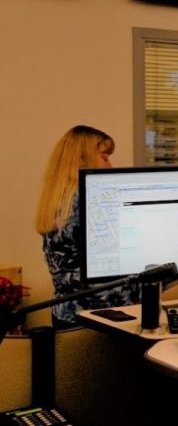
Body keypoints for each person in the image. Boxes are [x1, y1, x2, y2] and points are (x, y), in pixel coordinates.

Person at [35, 125, 134, 328]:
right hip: (103, 319)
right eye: (105, 157)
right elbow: (122, 263)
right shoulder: (91, 201)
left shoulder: (58, 199)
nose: (110, 165)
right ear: (82, 159)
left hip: (67, 315)